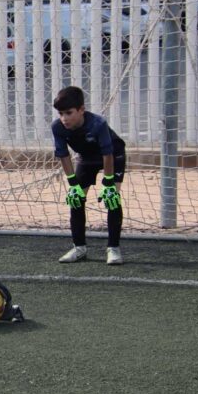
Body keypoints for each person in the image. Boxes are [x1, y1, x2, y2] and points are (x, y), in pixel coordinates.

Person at [51, 86, 126, 265]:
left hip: (113, 156)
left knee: (112, 199)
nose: (64, 118)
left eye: (69, 113)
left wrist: (108, 183)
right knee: (76, 198)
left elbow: (108, 154)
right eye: (61, 113)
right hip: (86, 158)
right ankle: (79, 248)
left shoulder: (98, 124)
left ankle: (113, 249)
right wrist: (73, 185)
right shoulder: (58, 127)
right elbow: (63, 155)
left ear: (81, 110)